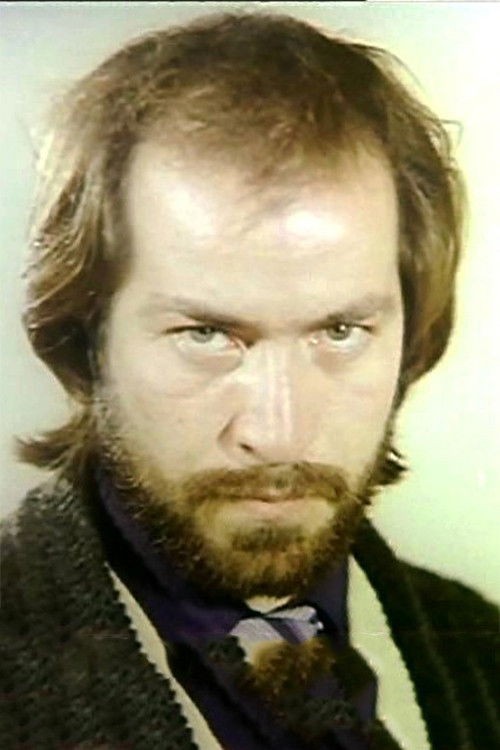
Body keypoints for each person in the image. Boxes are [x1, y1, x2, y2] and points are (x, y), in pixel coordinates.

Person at [1, 11, 498, 750]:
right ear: (86, 338)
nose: (278, 434)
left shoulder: (481, 650)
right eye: (207, 335)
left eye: (341, 332)